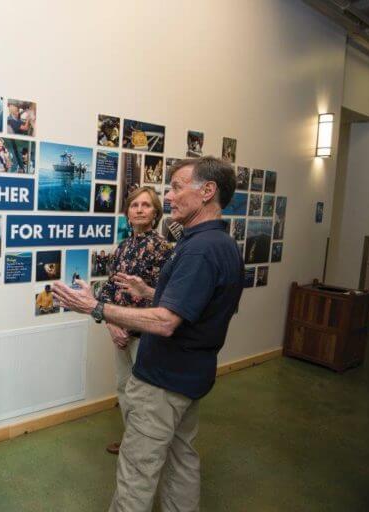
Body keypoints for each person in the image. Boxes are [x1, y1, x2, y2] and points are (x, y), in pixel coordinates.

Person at [53, 156, 244, 512]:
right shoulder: (220, 244)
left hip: (164, 379)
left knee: (137, 471)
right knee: (181, 458)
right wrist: (148, 292)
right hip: (189, 375)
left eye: (175, 187)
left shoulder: (200, 250)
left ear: (207, 191)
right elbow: (192, 305)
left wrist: (95, 308)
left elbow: (167, 321)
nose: (168, 197)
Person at [97, 186, 172, 455]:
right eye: (134, 205)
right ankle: (131, 440)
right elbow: (108, 291)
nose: (139, 210)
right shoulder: (123, 247)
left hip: (146, 336)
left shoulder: (164, 249)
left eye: (146, 205)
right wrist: (111, 324)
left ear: (156, 213)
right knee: (124, 388)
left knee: (146, 394)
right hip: (120, 334)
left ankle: (145, 446)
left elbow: (167, 299)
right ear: (127, 213)